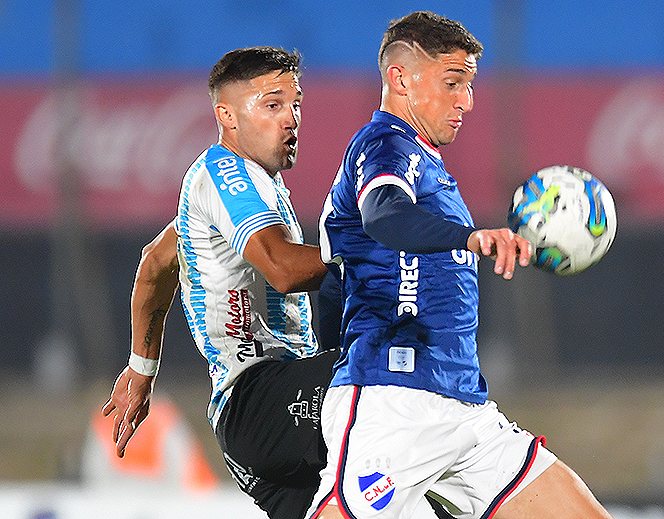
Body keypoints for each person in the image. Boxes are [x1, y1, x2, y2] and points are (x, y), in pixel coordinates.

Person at [102, 46, 450, 519]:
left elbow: (156, 263)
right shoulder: (225, 173)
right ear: (227, 116)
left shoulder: (243, 187)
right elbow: (284, 270)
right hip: (261, 400)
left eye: (296, 103)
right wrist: (378, 254)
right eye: (273, 105)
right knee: (393, 374)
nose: (291, 118)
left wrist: (142, 369)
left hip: (269, 421)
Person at [306, 11, 613, 519]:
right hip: (394, 402)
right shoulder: (385, 145)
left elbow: (339, 282)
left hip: (464, 407)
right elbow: (384, 214)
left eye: (469, 85)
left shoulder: (426, 165)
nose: (466, 101)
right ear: (400, 79)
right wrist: (469, 237)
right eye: (452, 83)